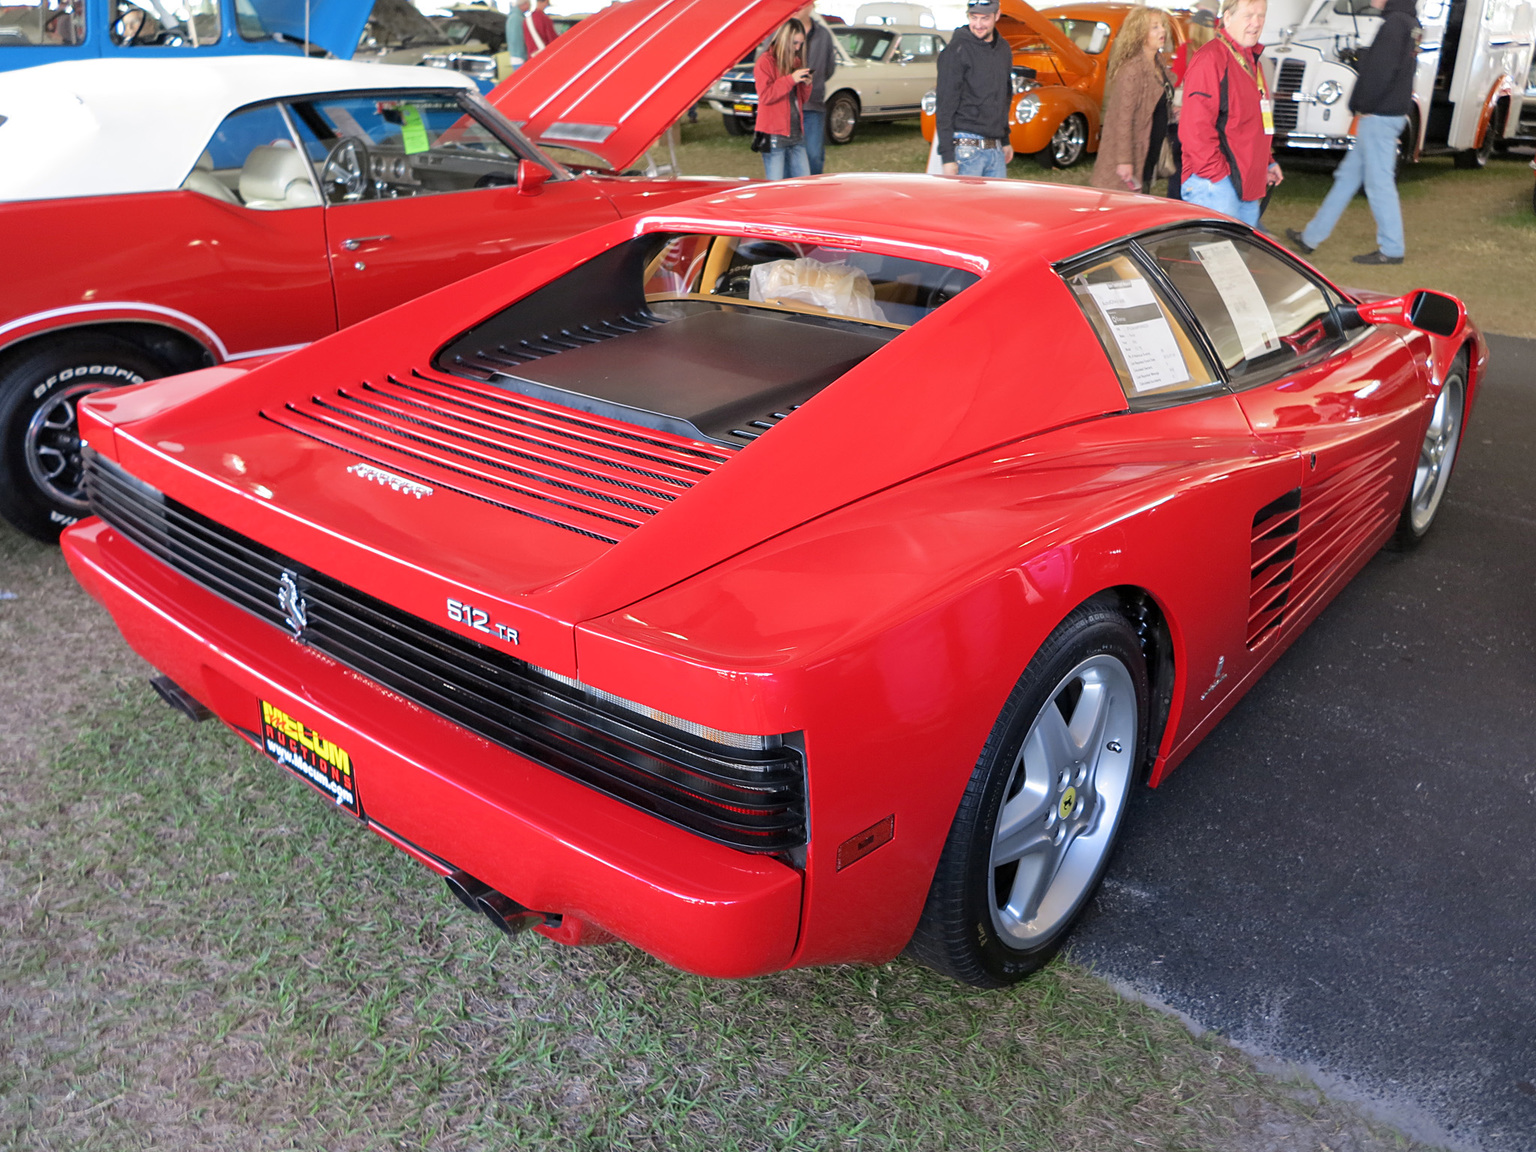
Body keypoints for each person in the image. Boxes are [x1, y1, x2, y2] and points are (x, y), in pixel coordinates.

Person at [1287, 0, 1416, 264]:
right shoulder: (1408, 22)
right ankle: (1310, 237)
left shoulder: (1393, 24)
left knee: (1379, 183)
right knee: (1347, 178)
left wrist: (1360, 105)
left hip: (1378, 116)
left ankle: (1392, 249)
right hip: (1387, 114)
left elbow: (1381, 72)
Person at [1178, 0, 1282, 226]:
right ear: (1227, 18)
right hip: (1216, 185)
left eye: (1261, 15)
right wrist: (1218, 177)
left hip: (1246, 184)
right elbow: (1194, 129)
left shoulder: (1252, 60)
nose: (1256, 23)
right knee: (1212, 258)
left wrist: (1266, 162)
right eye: (1248, 15)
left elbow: (1249, 123)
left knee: (1237, 259)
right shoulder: (1211, 58)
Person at [1090, 7, 1176, 194]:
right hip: (1133, 153)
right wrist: (1124, 160)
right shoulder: (1132, 70)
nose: (1162, 30)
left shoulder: (1158, 63)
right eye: (1155, 27)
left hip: (1148, 152)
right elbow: (1123, 119)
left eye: (1162, 25)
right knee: (1124, 208)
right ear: (1139, 33)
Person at [935, 0, 1015, 177]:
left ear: (997, 15)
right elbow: (944, 106)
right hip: (965, 151)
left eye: (985, 18)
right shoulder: (956, 50)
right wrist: (948, 158)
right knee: (965, 206)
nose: (978, 24)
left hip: (995, 149)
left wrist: (1005, 139)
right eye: (973, 17)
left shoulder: (1004, 49)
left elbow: (1004, 96)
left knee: (996, 205)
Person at [755, 19, 814, 180]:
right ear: (784, 39)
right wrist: (791, 79)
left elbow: (802, 99)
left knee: (804, 184)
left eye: (801, 44)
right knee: (775, 186)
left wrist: (806, 84)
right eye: (795, 43)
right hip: (772, 135)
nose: (798, 48)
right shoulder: (765, 62)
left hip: (795, 134)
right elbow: (766, 95)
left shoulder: (796, 61)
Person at [796, 3, 838, 174]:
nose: (799, 7)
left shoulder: (823, 34)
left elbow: (829, 68)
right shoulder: (779, 33)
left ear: (811, 5)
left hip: (813, 104)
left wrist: (814, 83)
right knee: (788, 156)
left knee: (814, 155)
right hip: (785, 107)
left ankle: (812, 193)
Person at [504, 0, 528, 70]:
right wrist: (524, 56)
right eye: (529, 4)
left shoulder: (512, 16)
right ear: (524, 4)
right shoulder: (517, 18)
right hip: (519, 56)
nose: (529, 7)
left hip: (514, 55)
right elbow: (517, 39)